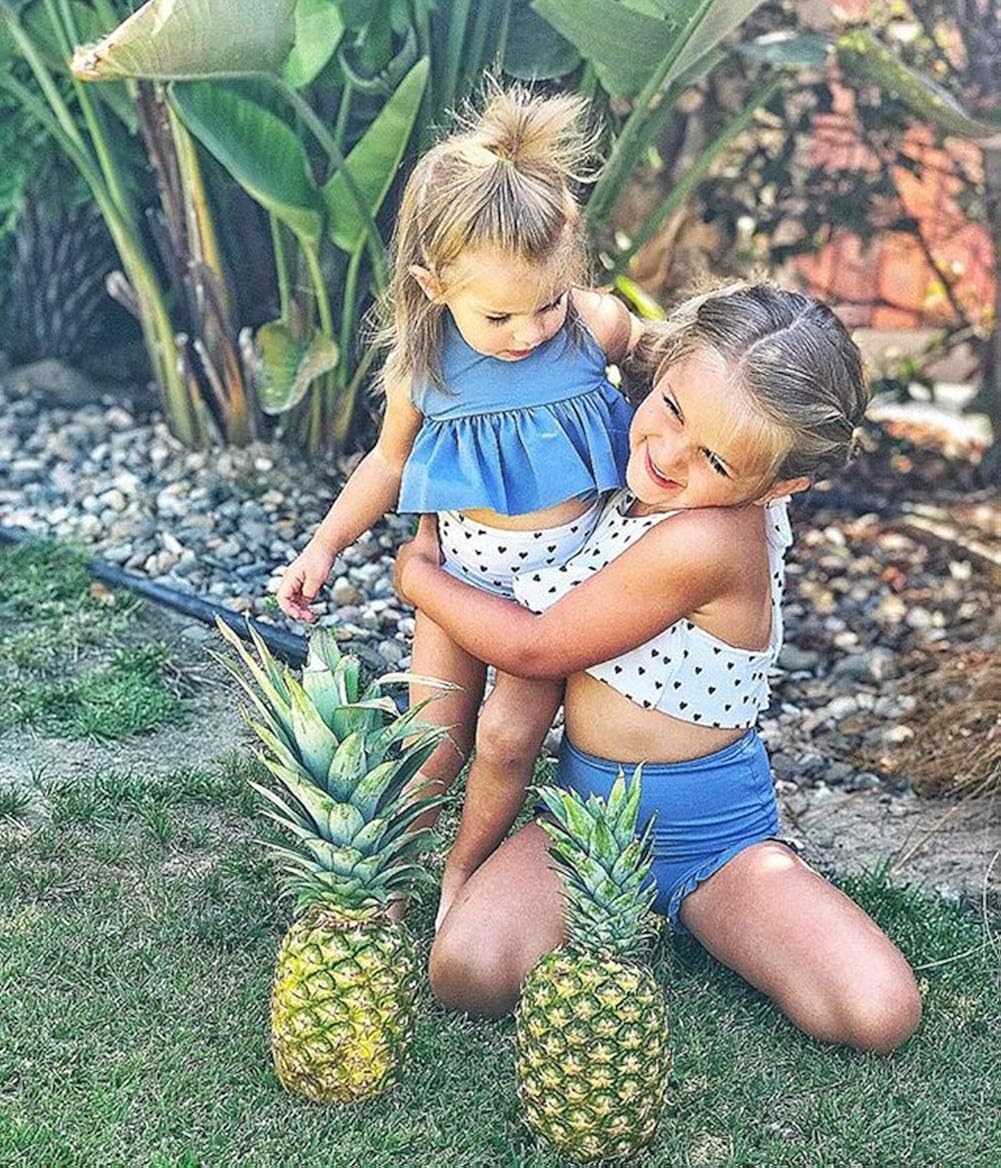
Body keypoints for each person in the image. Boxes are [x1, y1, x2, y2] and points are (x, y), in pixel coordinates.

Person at [394, 280, 923, 1054]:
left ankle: (717, 908)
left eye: (714, 458)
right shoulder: (645, 445)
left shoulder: (710, 540)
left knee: (875, 1013)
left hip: (711, 840)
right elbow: (587, 314)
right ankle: (617, 910)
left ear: (780, 486)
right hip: (583, 820)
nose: (669, 454)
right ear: (665, 367)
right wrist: (531, 294)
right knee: (467, 973)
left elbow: (535, 649)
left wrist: (417, 576)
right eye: (671, 409)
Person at [275, 83, 639, 925]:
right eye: (500, 314)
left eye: (547, 301)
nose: (529, 331)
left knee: (507, 741)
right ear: (432, 284)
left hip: (559, 597)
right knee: (432, 738)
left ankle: (462, 872)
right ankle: (397, 870)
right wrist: (324, 546)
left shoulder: (592, 327)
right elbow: (386, 462)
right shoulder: (427, 366)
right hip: (459, 583)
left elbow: (662, 371)